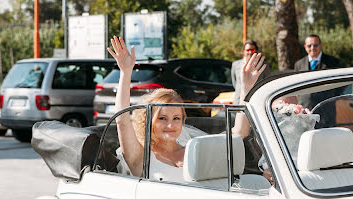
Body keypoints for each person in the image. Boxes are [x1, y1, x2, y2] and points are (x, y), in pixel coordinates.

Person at [107, 36, 266, 180]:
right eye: (162, 118)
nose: (171, 125)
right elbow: (122, 121)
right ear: (148, 121)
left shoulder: (197, 149)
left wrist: (246, 88)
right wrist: (125, 73)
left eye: (176, 118)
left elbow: (239, 133)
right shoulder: (140, 156)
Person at [294, 34, 343, 127]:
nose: (312, 48)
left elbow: (340, 84)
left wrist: (331, 97)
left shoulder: (333, 62)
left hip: (326, 109)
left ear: (320, 45)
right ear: (305, 47)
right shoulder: (299, 64)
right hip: (305, 110)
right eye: (309, 45)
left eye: (315, 45)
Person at [231, 40, 271, 104]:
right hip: (239, 101)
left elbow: (267, 83)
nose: (250, 52)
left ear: (256, 51)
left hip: (257, 102)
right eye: (247, 50)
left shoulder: (264, 66)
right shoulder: (235, 65)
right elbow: (235, 83)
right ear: (243, 51)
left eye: (252, 50)